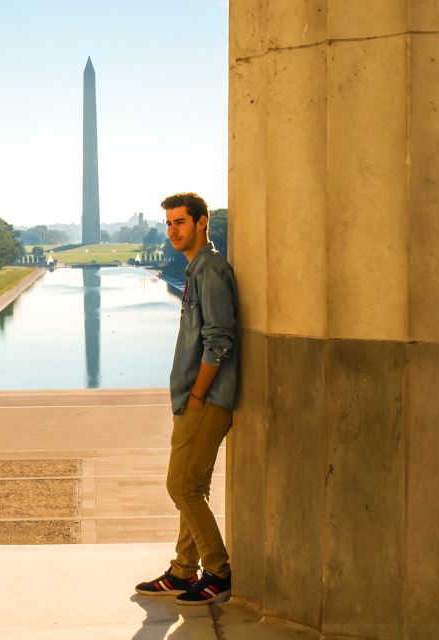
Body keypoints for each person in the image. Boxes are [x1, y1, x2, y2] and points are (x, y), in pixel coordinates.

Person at [135, 192, 238, 606]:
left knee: (181, 485)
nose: (173, 230)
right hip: (195, 398)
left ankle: (218, 570)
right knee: (193, 485)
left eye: (180, 222)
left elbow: (219, 341)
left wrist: (197, 394)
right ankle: (182, 570)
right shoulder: (196, 270)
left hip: (207, 400)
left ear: (202, 223)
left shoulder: (211, 271)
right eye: (169, 223)